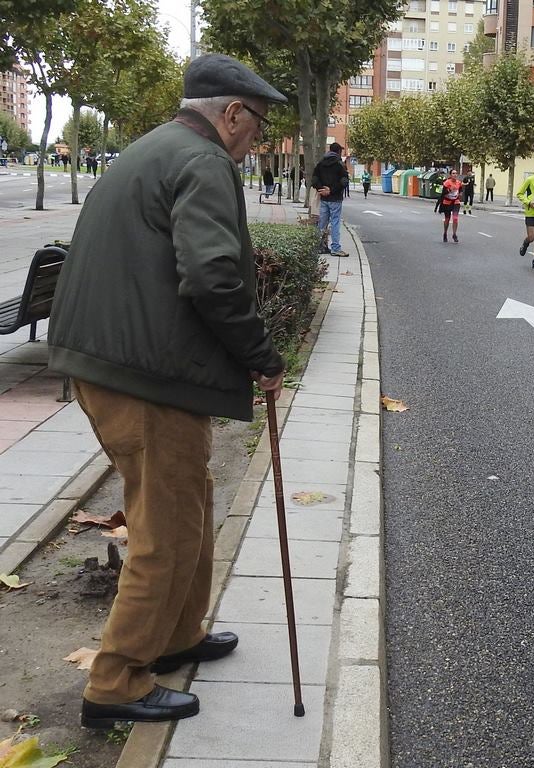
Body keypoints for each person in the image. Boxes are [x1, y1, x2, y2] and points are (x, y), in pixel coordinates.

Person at [48, 52, 286, 728]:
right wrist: (261, 356)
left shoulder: (154, 147)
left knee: (187, 505)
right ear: (232, 113)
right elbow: (212, 275)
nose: (254, 142)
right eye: (257, 127)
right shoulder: (203, 160)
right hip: (148, 373)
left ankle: (177, 635)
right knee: (164, 527)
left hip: (121, 362)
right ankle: (116, 681)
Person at [310, 142, 349, 256]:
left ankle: (320, 246)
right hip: (335, 198)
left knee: (322, 223)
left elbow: (314, 179)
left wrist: (321, 189)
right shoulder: (339, 164)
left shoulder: (321, 163)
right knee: (335, 222)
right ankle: (335, 248)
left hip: (324, 198)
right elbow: (344, 181)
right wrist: (331, 190)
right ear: (339, 152)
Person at [438, 168, 463, 242]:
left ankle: (454, 234)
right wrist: (449, 190)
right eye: (453, 173)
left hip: (455, 202)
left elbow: (460, 190)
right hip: (447, 202)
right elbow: (443, 193)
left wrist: (460, 194)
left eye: (456, 173)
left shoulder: (459, 182)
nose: (455, 175)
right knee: (447, 219)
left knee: (455, 218)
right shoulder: (447, 183)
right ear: (450, 175)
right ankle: (445, 233)